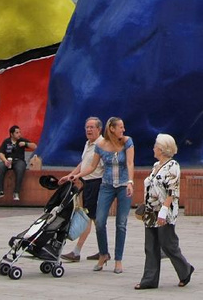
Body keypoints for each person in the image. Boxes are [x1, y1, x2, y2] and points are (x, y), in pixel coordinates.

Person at [75, 116, 135, 274]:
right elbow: (92, 166)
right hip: (107, 185)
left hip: (123, 185)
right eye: (120, 127)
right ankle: (103, 254)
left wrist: (130, 181)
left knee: (121, 224)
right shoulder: (101, 145)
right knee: (100, 221)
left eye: (123, 127)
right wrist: (75, 176)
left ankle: (118, 260)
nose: (123, 130)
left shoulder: (127, 142)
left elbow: (129, 163)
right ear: (112, 129)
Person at [134, 133, 194, 289]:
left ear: (161, 149)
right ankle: (149, 280)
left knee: (168, 245)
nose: (153, 148)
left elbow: (172, 191)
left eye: (155, 146)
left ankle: (185, 270)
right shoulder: (156, 166)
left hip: (164, 211)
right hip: (150, 210)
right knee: (150, 246)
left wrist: (163, 211)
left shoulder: (173, 166)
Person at [60, 116, 105, 262]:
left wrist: (77, 175)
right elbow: (83, 163)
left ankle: (77, 252)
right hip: (87, 183)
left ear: (99, 129)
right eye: (87, 127)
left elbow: (96, 167)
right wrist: (71, 175)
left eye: (92, 127)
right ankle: (103, 251)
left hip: (96, 183)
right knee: (97, 219)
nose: (89, 130)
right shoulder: (88, 144)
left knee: (87, 218)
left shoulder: (102, 144)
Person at [0, 123, 33, 202]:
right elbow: (1, 153)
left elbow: (34, 146)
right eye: (17, 133)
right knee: (0, 168)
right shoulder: (6, 141)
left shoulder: (22, 140)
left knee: (20, 169)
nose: (19, 134)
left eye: (19, 132)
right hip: (7, 160)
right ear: (11, 134)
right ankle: (0, 191)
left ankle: (16, 192)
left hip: (19, 160)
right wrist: (5, 160)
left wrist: (26, 144)